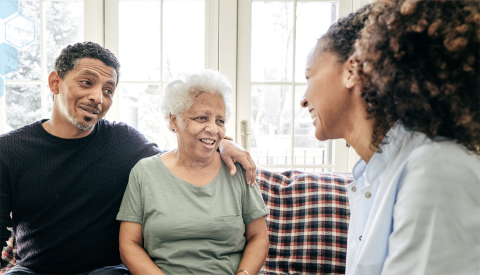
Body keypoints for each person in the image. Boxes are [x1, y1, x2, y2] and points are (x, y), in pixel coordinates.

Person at [0, 42, 257, 275]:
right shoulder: (9, 150)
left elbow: (181, 158)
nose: (98, 97)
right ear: (55, 83)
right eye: (87, 83)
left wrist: (223, 142)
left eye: (108, 90)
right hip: (34, 271)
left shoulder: (124, 141)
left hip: (107, 271)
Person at [301, 1, 480, 274]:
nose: (304, 100)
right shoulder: (375, 175)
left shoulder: (436, 168)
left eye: (309, 75)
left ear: (352, 70)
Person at [116, 70, 269, 275]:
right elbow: (129, 244)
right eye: (202, 118)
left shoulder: (237, 168)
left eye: (220, 121)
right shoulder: (145, 172)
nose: (213, 129)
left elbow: (259, 237)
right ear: (173, 121)